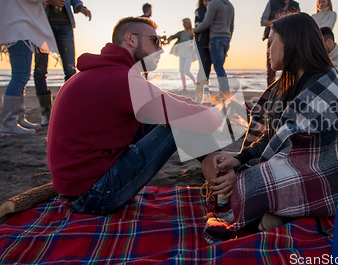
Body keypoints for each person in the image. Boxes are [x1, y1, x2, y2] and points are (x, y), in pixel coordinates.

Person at [201, 13, 338, 234]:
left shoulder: (327, 86)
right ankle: (279, 212)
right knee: (214, 163)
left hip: (329, 176)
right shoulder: (285, 85)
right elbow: (273, 139)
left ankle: (279, 213)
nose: (268, 49)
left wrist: (243, 172)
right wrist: (239, 159)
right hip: (293, 164)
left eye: (272, 41)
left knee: (247, 187)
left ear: (291, 43)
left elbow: (289, 152)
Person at [47, 17, 224, 215]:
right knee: (181, 122)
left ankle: (222, 170)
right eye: (154, 41)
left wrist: (198, 107)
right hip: (95, 194)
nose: (161, 49)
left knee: (171, 115)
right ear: (130, 39)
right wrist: (215, 113)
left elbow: (167, 99)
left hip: (76, 188)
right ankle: (224, 178)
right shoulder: (124, 81)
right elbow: (205, 122)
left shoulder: (109, 73)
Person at [0, 0, 72, 136]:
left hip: (17, 31)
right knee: (20, 76)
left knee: (21, 77)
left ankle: (18, 119)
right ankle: (8, 124)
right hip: (19, 32)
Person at [32, 0, 92, 126]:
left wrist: (81, 7)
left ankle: (71, 110)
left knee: (70, 69)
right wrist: (47, 0)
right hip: (42, 26)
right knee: (41, 69)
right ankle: (45, 114)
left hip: (65, 25)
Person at [193, 0, 234, 95]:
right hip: (226, 39)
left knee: (218, 68)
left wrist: (194, 30)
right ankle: (224, 91)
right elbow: (232, 26)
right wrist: (229, 39)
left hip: (216, 38)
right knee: (219, 66)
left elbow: (206, 23)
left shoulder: (214, 4)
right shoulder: (230, 6)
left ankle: (224, 92)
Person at [261, 0, 300, 87]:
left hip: (290, 41)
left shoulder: (296, 5)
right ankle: (269, 95)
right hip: (273, 39)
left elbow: (299, 25)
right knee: (271, 70)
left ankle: (287, 92)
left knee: (291, 69)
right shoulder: (272, 2)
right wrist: (279, 24)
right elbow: (263, 21)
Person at [166, 18, 197, 91]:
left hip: (189, 54)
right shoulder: (181, 33)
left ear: (189, 23)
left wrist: (191, 45)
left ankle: (196, 83)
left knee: (187, 71)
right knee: (181, 70)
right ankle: (184, 87)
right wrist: (169, 39)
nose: (184, 24)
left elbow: (196, 43)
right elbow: (173, 36)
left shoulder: (193, 33)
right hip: (181, 54)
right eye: (183, 23)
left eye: (185, 23)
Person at [194, 0, 212, 95]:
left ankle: (205, 88)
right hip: (200, 42)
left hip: (210, 42)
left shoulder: (213, 10)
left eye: (209, 1)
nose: (208, 3)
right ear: (202, 1)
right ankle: (199, 89)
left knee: (208, 67)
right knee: (202, 66)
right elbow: (197, 26)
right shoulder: (198, 11)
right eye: (206, 1)